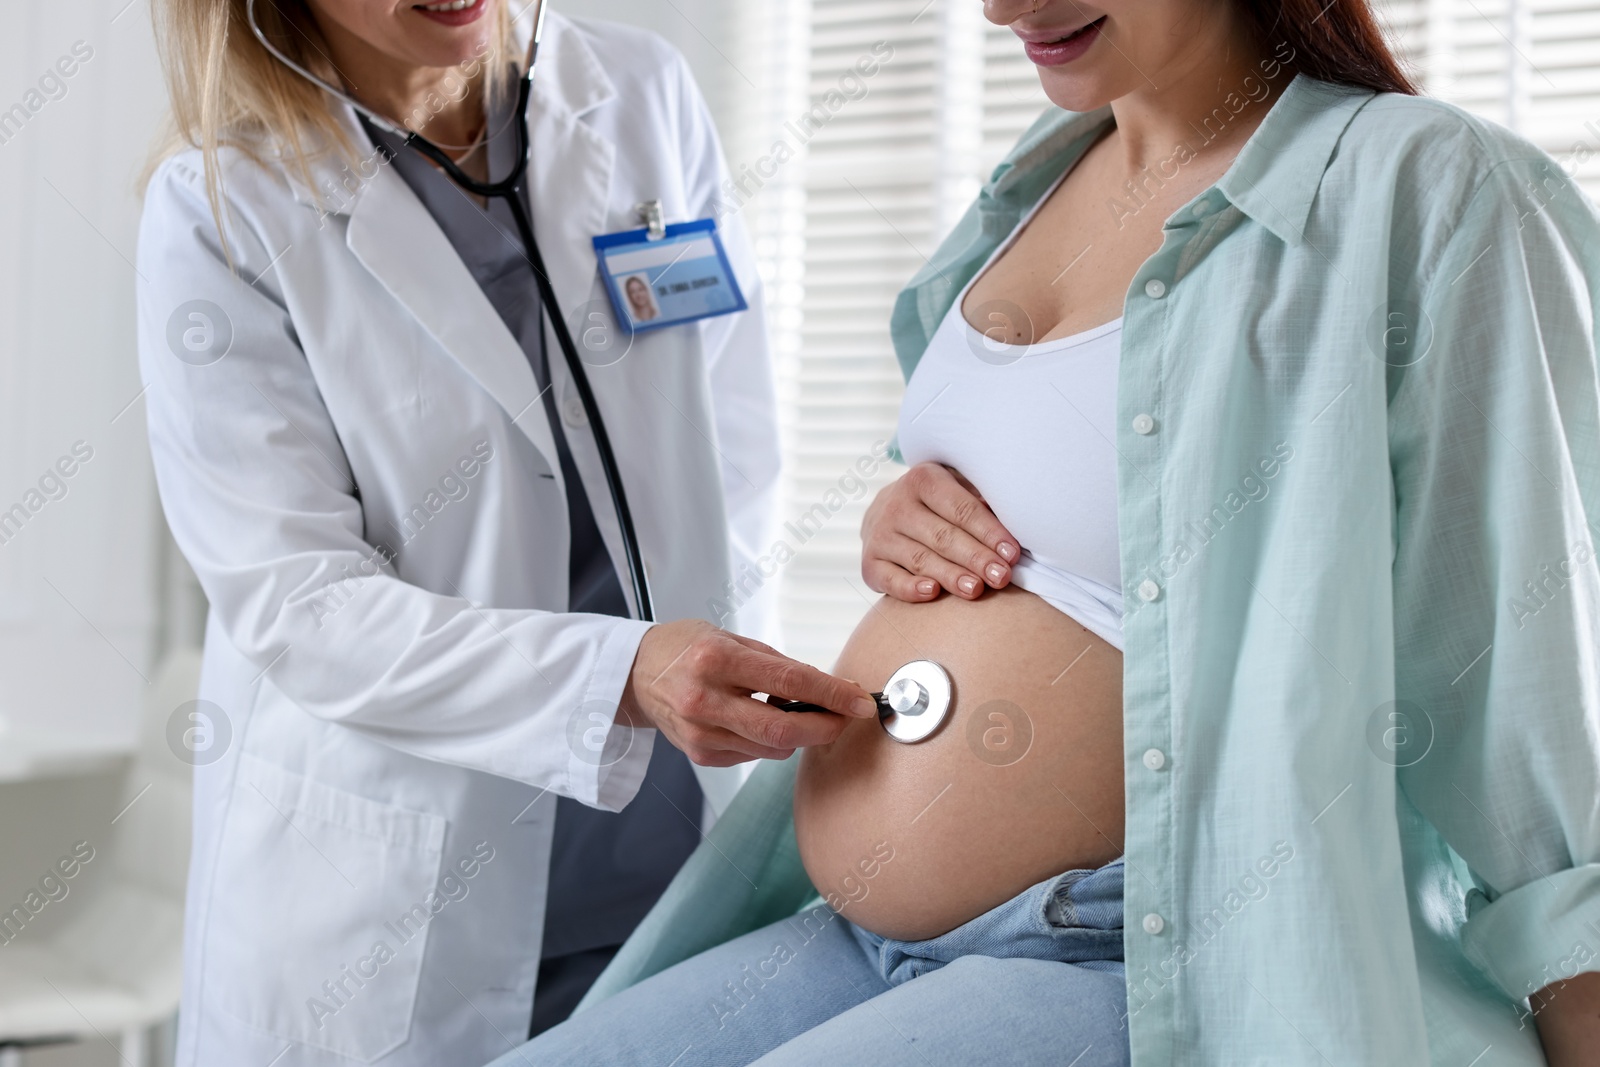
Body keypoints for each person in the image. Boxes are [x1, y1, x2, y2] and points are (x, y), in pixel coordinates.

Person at [483, 0, 1600, 1064]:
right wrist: (902, 516)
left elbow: (1531, 670)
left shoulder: (1428, 187)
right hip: (849, 924)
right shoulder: (1046, 163)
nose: (1004, 9)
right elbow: (1076, 502)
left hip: (1138, 952)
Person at [135, 2, 879, 1064]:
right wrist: (622, 671)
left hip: (669, 854)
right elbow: (298, 604)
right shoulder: (226, 205)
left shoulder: (639, 95)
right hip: (398, 906)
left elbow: (734, 435)